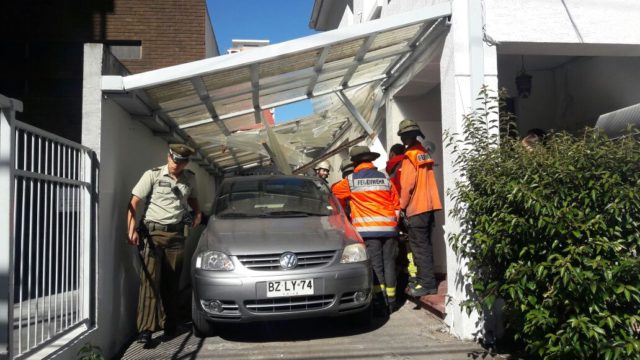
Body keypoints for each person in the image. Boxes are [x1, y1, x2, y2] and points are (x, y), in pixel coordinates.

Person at [127, 143, 203, 344]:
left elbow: (194, 199)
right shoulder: (152, 175)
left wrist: (197, 213)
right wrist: (131, 229)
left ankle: (170, 324)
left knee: (171, 283)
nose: (175, 165)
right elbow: (134, 202)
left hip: (176, 237)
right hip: (153, 236)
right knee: (150, 282)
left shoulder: (190, 179)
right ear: (168, 156)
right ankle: (145, 329)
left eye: (181, 162)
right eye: (173, 159)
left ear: (186, 163)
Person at [332, 146, 400, 313]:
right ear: (370, 160)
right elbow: (396, 204)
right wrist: (392, 223)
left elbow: (334, 193)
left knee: (376, 267)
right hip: (390, 229)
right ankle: (392, 301)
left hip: (368, 231)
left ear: (354, 163)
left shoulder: (351, 181)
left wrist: (346, 214)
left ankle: (380, 302)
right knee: (389, 263)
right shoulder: (385, 179)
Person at [397, 119, 442, 297]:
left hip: (417, 207)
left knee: (419, 247)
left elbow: (407, 185)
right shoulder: (423, 153)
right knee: (426, 245)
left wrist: (401, 207)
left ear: (403, 137)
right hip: (430, 206)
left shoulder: (409, 156)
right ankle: (428, 281)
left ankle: (427, 284)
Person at [385, 143, 418, 290]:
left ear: (392, 154)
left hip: (400, 210)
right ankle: (412, 276)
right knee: (411, 245)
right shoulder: (406, 163)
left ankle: (407, 278)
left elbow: (396, 191)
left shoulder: (394, 168)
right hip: (413, 209)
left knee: (403, 246)